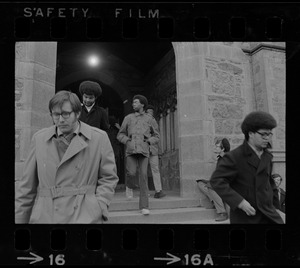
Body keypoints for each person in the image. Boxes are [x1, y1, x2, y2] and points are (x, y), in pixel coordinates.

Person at [15, 90, 119, 224]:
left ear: (77, 113)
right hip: (46, 216)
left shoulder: (99, 138)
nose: (61, 119)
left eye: (66, 114)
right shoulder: (39, 139)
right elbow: (26, 188)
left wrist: (99, 206)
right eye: (56, 114)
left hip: (85, 216)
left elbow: (108, 177)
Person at [210, 111, 284, 224]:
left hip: (269, 214)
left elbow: (270, 184)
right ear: (250, 134)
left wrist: (277, 209)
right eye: (263, 134)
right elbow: (217, 181)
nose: (267, 138)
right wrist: (240, 202)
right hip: (246, 216)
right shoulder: (234, 157)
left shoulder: (267, 156)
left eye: (269, 134)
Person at [117, 95, 159, 215]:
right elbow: (120, 134)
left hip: (144, 152)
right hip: (130, 151)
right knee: (131, 173)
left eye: (135, 102)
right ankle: (129, 186)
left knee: (144, 177)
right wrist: (127, 141)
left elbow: (157, 136)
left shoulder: (150, 119)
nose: (133, 104)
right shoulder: (128, 118)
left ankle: (144, 206)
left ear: (142, 105)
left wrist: (149, 141)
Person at [196, 138, 230, 222]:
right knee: (200, 183)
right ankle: (216, 202)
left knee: (211, 188)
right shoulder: (220, 159)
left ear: (223, 148)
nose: (215, 148)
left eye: (217, 146)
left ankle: (222, 213)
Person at [146, 105, 166, 199]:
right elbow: (157, 136)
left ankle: (154, 191)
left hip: (149, 149)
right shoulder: (151, 120)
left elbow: (157, 136)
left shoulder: (145, 120)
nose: (151, 114)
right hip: (150, 149)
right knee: (154, 170)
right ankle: (158, 190)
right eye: (150, 112)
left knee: (146, 170)